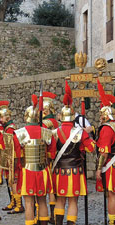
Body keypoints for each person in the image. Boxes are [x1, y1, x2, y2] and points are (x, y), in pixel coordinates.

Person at [52, 82, 95, 225]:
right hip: (75, 170)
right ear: (72, 117)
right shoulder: (80, 132)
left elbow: (51, 153)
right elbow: (91, 149)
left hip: (59, 172)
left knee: (60, 199)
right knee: (72, 201)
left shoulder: (55, 132)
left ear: (61, 117)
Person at [14, 95, 56, 225]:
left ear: (26, 117)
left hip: (27, 171)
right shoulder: (47, 132)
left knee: (29, 202)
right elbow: (51, 154)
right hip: (43, 170)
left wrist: (16, 174)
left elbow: (17, 156)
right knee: (42, 200)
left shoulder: (19, 133)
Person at [0, 100, 24, 214]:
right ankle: (13, 201)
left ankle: (19, 204)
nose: (0, 120)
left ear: (7, 118)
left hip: (13, 159)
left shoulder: (10, 130)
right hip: (9, 159)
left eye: (2, 118)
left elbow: (13, 146)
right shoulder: (7, 129)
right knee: (10, 181)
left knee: (14, 182)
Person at [96, 80, 115, 225]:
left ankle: (112, 221)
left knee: (112, 194)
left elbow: (104, 152)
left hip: (112, 166)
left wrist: (98, 169)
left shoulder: (107, 129)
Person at [42, 92, 59, 224]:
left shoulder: (45, 123)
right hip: (57, 157)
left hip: (45, 157)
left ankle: (44, 215)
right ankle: (53, 214)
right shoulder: (56, 122)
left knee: (46, 186)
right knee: (53, 186)